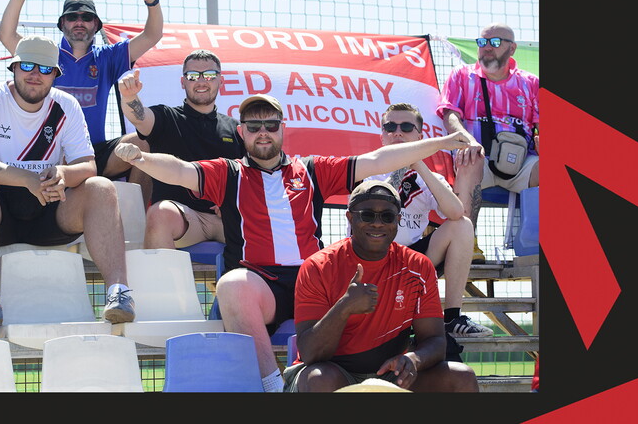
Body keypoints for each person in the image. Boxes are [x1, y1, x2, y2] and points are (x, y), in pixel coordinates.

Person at [115, 94, 473, 392]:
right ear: (241, 132)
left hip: (313, 282)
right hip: (262, 284)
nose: (263, 132)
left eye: (271, 124)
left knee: (361, 287)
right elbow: (178, 170)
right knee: (233, 286)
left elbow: (377, 160)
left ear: (283, 129)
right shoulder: (228, 172)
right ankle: (275, 389)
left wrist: (440, 143)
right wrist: (142, 159)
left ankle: (367, 382)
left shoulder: (312, 170)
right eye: (253, 126)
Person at [0, 35, 135, 326]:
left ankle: (119, 293)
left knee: (101, 187)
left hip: (49, 204)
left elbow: (88, 165)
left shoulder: (67, 106)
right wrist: (25, 178)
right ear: (13, 68)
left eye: (45, 69)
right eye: (27, 65)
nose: (35, 74)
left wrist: (62, 174)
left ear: (56, 75)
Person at [282, 180, 479, 392]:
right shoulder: (318, 266)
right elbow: (311, 353)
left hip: (390, 376)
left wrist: (414, 359)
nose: (378, 223)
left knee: (462, 377)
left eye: (387, 216)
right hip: (334, 371)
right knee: (320, 379)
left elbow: (436, 341)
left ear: (398, 220)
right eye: (367, 215)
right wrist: (344, 307)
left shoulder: (418, 266)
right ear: (350, 217)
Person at [0, 0, 163, 206]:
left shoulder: (107, 57)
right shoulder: (45, 56)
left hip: (92, 155)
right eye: (72, 16)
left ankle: (137, 218)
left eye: (86, 17)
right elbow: (6, 34)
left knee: (142, 143)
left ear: (95, 25)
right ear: (62, 23)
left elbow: (152, 35)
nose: (79, 22)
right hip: (47, 156)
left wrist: (152, 0)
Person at [358, 103, 492, 338]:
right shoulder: (365, 167)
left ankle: (452, 317)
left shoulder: (431, 177)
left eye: (406, 127)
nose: (397, 132)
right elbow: (381, 205)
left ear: (420, 136)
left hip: (410, 260)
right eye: (390, 127)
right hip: (372, 261)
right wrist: (404, 160)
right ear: (382, 136)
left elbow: (454, 212)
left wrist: (418, 162)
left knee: (462, 225)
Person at [116, 49, 245, 250]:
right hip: (184, 219)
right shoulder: (167, 117)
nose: (201, 81)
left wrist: (233, 204)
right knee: (160, 214)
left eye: (209, 75)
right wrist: (129, 97)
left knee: (267, 227)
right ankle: (159, 282)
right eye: (193, 76)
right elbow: (140, 117)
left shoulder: (238, 129)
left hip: (227, 221)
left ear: (221, 81)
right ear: (183, 82)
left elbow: (253, 178)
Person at [437, 23, 539, 252]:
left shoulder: (531, 83)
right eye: (482, 42)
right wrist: (467, 140)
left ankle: (536, 246)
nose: (487, 48)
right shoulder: (462, 75)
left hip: (522, 162)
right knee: (469, 158)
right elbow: (450, 114)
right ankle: (466, 243)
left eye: (494, 42)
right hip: (479, 159)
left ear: (512, 49)